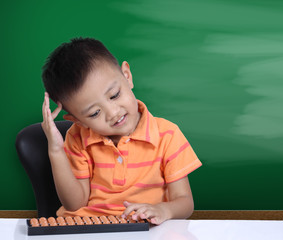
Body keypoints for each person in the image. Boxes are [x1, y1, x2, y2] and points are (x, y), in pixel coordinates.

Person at [41, 37, 202, 225]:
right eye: (94, 113)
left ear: (127, 75)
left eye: (115, 95)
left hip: (145, 229)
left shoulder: (168, 134)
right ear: (77, 120)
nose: (113, 113)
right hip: (89, 227)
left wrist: (162, 210)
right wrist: (56, 150)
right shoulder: (77, 137)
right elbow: (74, 204)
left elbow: (185, 203)